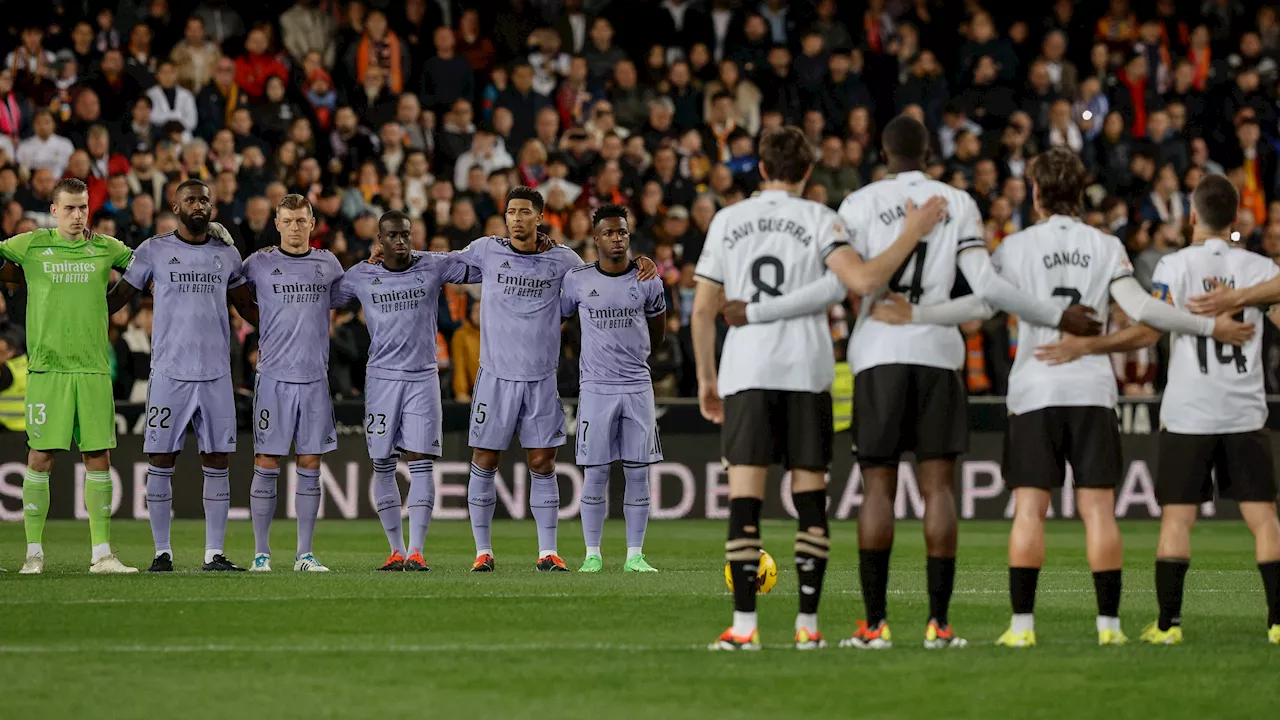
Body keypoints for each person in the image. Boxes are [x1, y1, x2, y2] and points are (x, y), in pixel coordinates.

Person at [724, 117, 1102, 650]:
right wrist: (1054, 315)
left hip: (875, 354)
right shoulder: (958, 201)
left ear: (882, 150)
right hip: (940, 356)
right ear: (929, 153)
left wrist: (760, 310)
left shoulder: (855, 203)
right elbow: (988, 291)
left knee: (877, 486)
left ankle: (873, 625)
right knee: (939, 489)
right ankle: (939, 626)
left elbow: (839, 286)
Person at [876, 151, 1253, 647]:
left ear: (1035, 194)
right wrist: (1209, 325)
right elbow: (1142, 309)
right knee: (1099, 510)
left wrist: (919, 315)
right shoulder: (1105, 244)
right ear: (1079, 193)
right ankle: (1109, 629)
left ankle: (1022, 628)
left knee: (1030, 509)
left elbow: (981, 304)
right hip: (1093, 388)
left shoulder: (1014, 247)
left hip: (1035, 387)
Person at [692, 125, 947, 652]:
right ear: (808, 172)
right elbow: (860, 281)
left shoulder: (727, 219)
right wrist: (912, 232)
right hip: (807, 372)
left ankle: (743, 628)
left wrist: (706, 378)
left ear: (760, 168)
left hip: (746, 370)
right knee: (810, 501)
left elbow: (702, 308)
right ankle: (808, 626)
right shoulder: (820, 219)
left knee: (745, 503)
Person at [1055, 173, 1280, 646]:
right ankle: (1278, 623)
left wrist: (1092, 345)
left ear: (1192, 216)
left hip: (1189, 411)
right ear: (1237, 218)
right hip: (1245, 410)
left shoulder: (1174, 267)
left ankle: (1168, 626)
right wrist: (1245, 298)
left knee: (1177, 519)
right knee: (1264, 518)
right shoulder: (1261, 269)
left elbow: (1148, 331)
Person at [457, 187, 655, 573]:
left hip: (541, 378)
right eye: (511, 211)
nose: (516, 218)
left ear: (540, 218)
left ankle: (547, 551)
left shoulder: (564, 260)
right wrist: (403, 258)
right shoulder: (485, 250)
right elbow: (442, 264)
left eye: (524, 212)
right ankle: (483, 552)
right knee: (484, 458)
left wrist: (639, 261)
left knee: (543, 462)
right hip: (495, 375)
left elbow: (601, 274)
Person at [108, 179, 258, 572]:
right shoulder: (154, 250)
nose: (199, 204)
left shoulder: (227, 253)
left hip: (215, 375)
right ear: (176, 207)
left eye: (204, 199)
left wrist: (285, 328)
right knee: (161, 457)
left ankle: (214, 553)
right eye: (190, 199)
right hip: (169, 373)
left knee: (218, 459)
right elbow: (119, 298)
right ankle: (162, 551)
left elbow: (247, 306)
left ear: (213, 207)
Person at [3, 178, 136, 574]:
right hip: (48, 370)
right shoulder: (30, 244)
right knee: (40, 457)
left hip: (93, 368)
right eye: (70, 208)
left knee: (98, 456)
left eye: (83, 208)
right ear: (55, 210)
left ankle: (101, 554)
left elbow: (147, 265)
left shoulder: (105, 248)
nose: (78, 215)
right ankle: (33, 554)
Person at [331, 210, 478, 571]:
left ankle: (416, 551)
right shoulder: (361, 275)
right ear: (379, 241)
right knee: (382, 462)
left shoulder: (432, 266)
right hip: (381, 379)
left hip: (422, 378)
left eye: (406, 235)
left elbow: (478, 265)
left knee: (421, 461)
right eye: (393, 236)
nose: (401, 241)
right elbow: (327, 297)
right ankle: (395, 550)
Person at [239, 195, 346, 572]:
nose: (296, 228)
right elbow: (234, 289)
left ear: (312, 224)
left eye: (302, 221)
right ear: (277, 223)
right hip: (272, 378)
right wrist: (259, 321)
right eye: (288, 221)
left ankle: (304, 553)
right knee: (266, 460)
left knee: (310, 461)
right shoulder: (259, 263)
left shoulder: (328, 264)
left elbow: (347, 297)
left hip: (314, 379)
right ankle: (261, 553)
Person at [560, 204, 666, 573]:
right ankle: (593, 554)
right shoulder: (576, 280)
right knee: (596, 471)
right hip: (596, 388)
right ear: (596, 238)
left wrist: (641, 357)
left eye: (621, 232)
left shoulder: (648, 279)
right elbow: (559, 322)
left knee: (638, 471)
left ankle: (635, 554)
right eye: (609, 233)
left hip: (637, 385)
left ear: (628, 235)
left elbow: (659, 328)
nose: (616, 238)